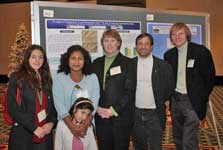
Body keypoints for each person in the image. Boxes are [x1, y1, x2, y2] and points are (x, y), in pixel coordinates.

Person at [164, 22, 216, 150]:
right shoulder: (169, 55)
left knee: (189, 139)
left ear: (187, 34)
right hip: (175, 100)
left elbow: (209, 78)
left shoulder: (200, 51)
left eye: (180, 33)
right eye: (173, 34)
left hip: (192, 101)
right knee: (178, 137)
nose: (177, 37)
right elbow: (168, 79)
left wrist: (202, 97)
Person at [91, 29, 135, 150]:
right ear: (102, 43)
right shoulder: (96, 63)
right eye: (106, 40)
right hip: (101, 117)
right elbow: (91, 89)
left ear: (118, 43)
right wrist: (96, 107)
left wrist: (114, 110)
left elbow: (130, 91)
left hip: (121, 118)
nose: (109, 44)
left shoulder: (128, 63)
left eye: (112, 40)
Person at [7, 44, 57, 150]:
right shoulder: (17, 78)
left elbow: (53, 106)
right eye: (33, 56)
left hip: (45, 133)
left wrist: (52, 122)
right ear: (27, 58)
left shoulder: (47, 79)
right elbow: (12, 108)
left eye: (40, 57)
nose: (37, 60)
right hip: (24, 133)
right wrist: (34, 128)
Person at [131, 33, 174, 150]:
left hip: (155, 113)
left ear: (151, 46)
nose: (143, 47)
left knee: (156, 146)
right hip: (135, 114)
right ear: (136, 46)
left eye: (146, 44)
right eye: (140, 44)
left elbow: (169, 87)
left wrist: (164, 100)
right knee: (139, 146)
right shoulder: (129, 65)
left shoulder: (163, 66)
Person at [53, 45, 99, 138]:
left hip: (87, 126)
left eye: (80, 58)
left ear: (85, 61)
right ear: (67, 60)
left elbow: (94, 102)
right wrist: (71, 126)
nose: (76, 62)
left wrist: (85, 125)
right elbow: (59, 104)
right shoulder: (59, 78)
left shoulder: (92, 78)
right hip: (65, 125)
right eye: (73, 58)